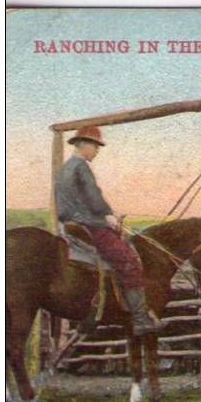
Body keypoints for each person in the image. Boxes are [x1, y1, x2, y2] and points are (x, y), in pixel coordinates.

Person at [54, 125, 162, 335]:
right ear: (84, 144)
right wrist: (109, 218)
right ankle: (140, 319)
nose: (97, 151)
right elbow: (94, 197)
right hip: (89, 224)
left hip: (71, 224)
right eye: (95, 146)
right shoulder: (81, 166)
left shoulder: (65, 168)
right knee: (129, 260)